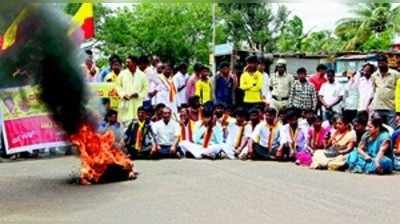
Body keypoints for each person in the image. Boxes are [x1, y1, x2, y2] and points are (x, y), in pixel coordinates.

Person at [116, 55, 148, 127]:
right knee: (125, 126)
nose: (126, 64)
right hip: (126, 103)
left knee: (137, 126)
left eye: (128, 62)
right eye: (126, 62)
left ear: (135, 63)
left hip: (137, 104)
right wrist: (123, 95)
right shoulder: (122, 73)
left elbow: (145, 89)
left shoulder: (142, 75)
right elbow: (117, 86)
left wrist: (138, 95)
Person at [372, 54, 400, 128]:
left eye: (382, 62)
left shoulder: (395, 74)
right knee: (379, 128)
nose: (380, 64)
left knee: (391, 129)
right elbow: (374, 90)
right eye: (379, 62)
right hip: (378, 107)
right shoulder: (374, 75)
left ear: (386, 63)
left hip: (390, 107)